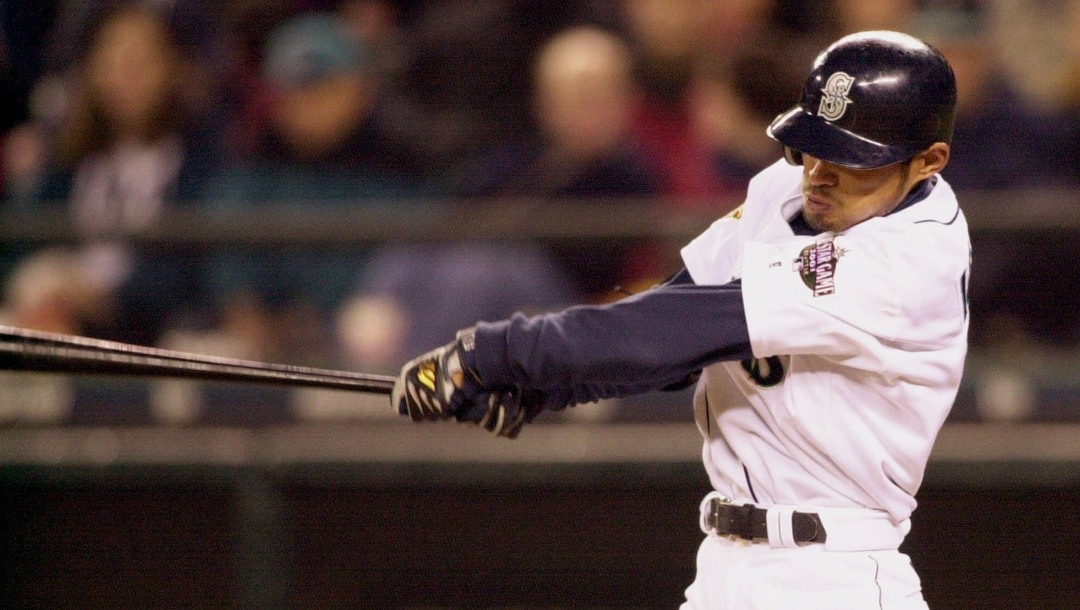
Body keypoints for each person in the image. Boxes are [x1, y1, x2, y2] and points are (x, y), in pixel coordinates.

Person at [389, 30, 969, 609]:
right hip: (725, 566)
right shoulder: (789, 189)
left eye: (851, 160)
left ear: (928, 161)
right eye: (813, 146)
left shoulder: (909, 259)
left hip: (833, 575)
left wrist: (493, 355)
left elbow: (677, 330)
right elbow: (677, 316)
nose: (819, 173)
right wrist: (541, 389)